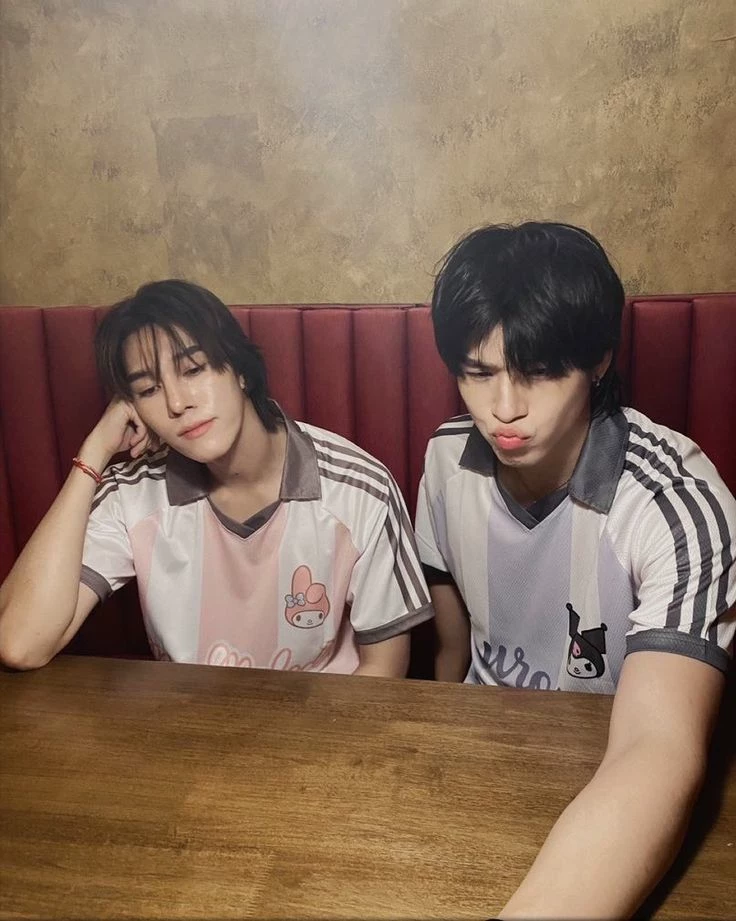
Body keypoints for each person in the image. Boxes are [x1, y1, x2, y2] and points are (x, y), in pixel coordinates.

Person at [415, 222, 736, 918]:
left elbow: (657, 749)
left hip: (609, 773)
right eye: (478, 373)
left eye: (537, 371)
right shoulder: (445, 460)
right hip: (478, 766)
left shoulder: (677, 503)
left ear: (598, 360)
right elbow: (450, 654)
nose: (504, 409)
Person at [0, 280, 432, 676]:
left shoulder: (360, 488)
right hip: (188, 724)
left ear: (239, 368)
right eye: (148, 389)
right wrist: (94, 453)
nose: (177, 403)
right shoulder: (132, 493)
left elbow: (384, 669)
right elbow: (19, 644)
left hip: (322, 725)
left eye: (193, 369)